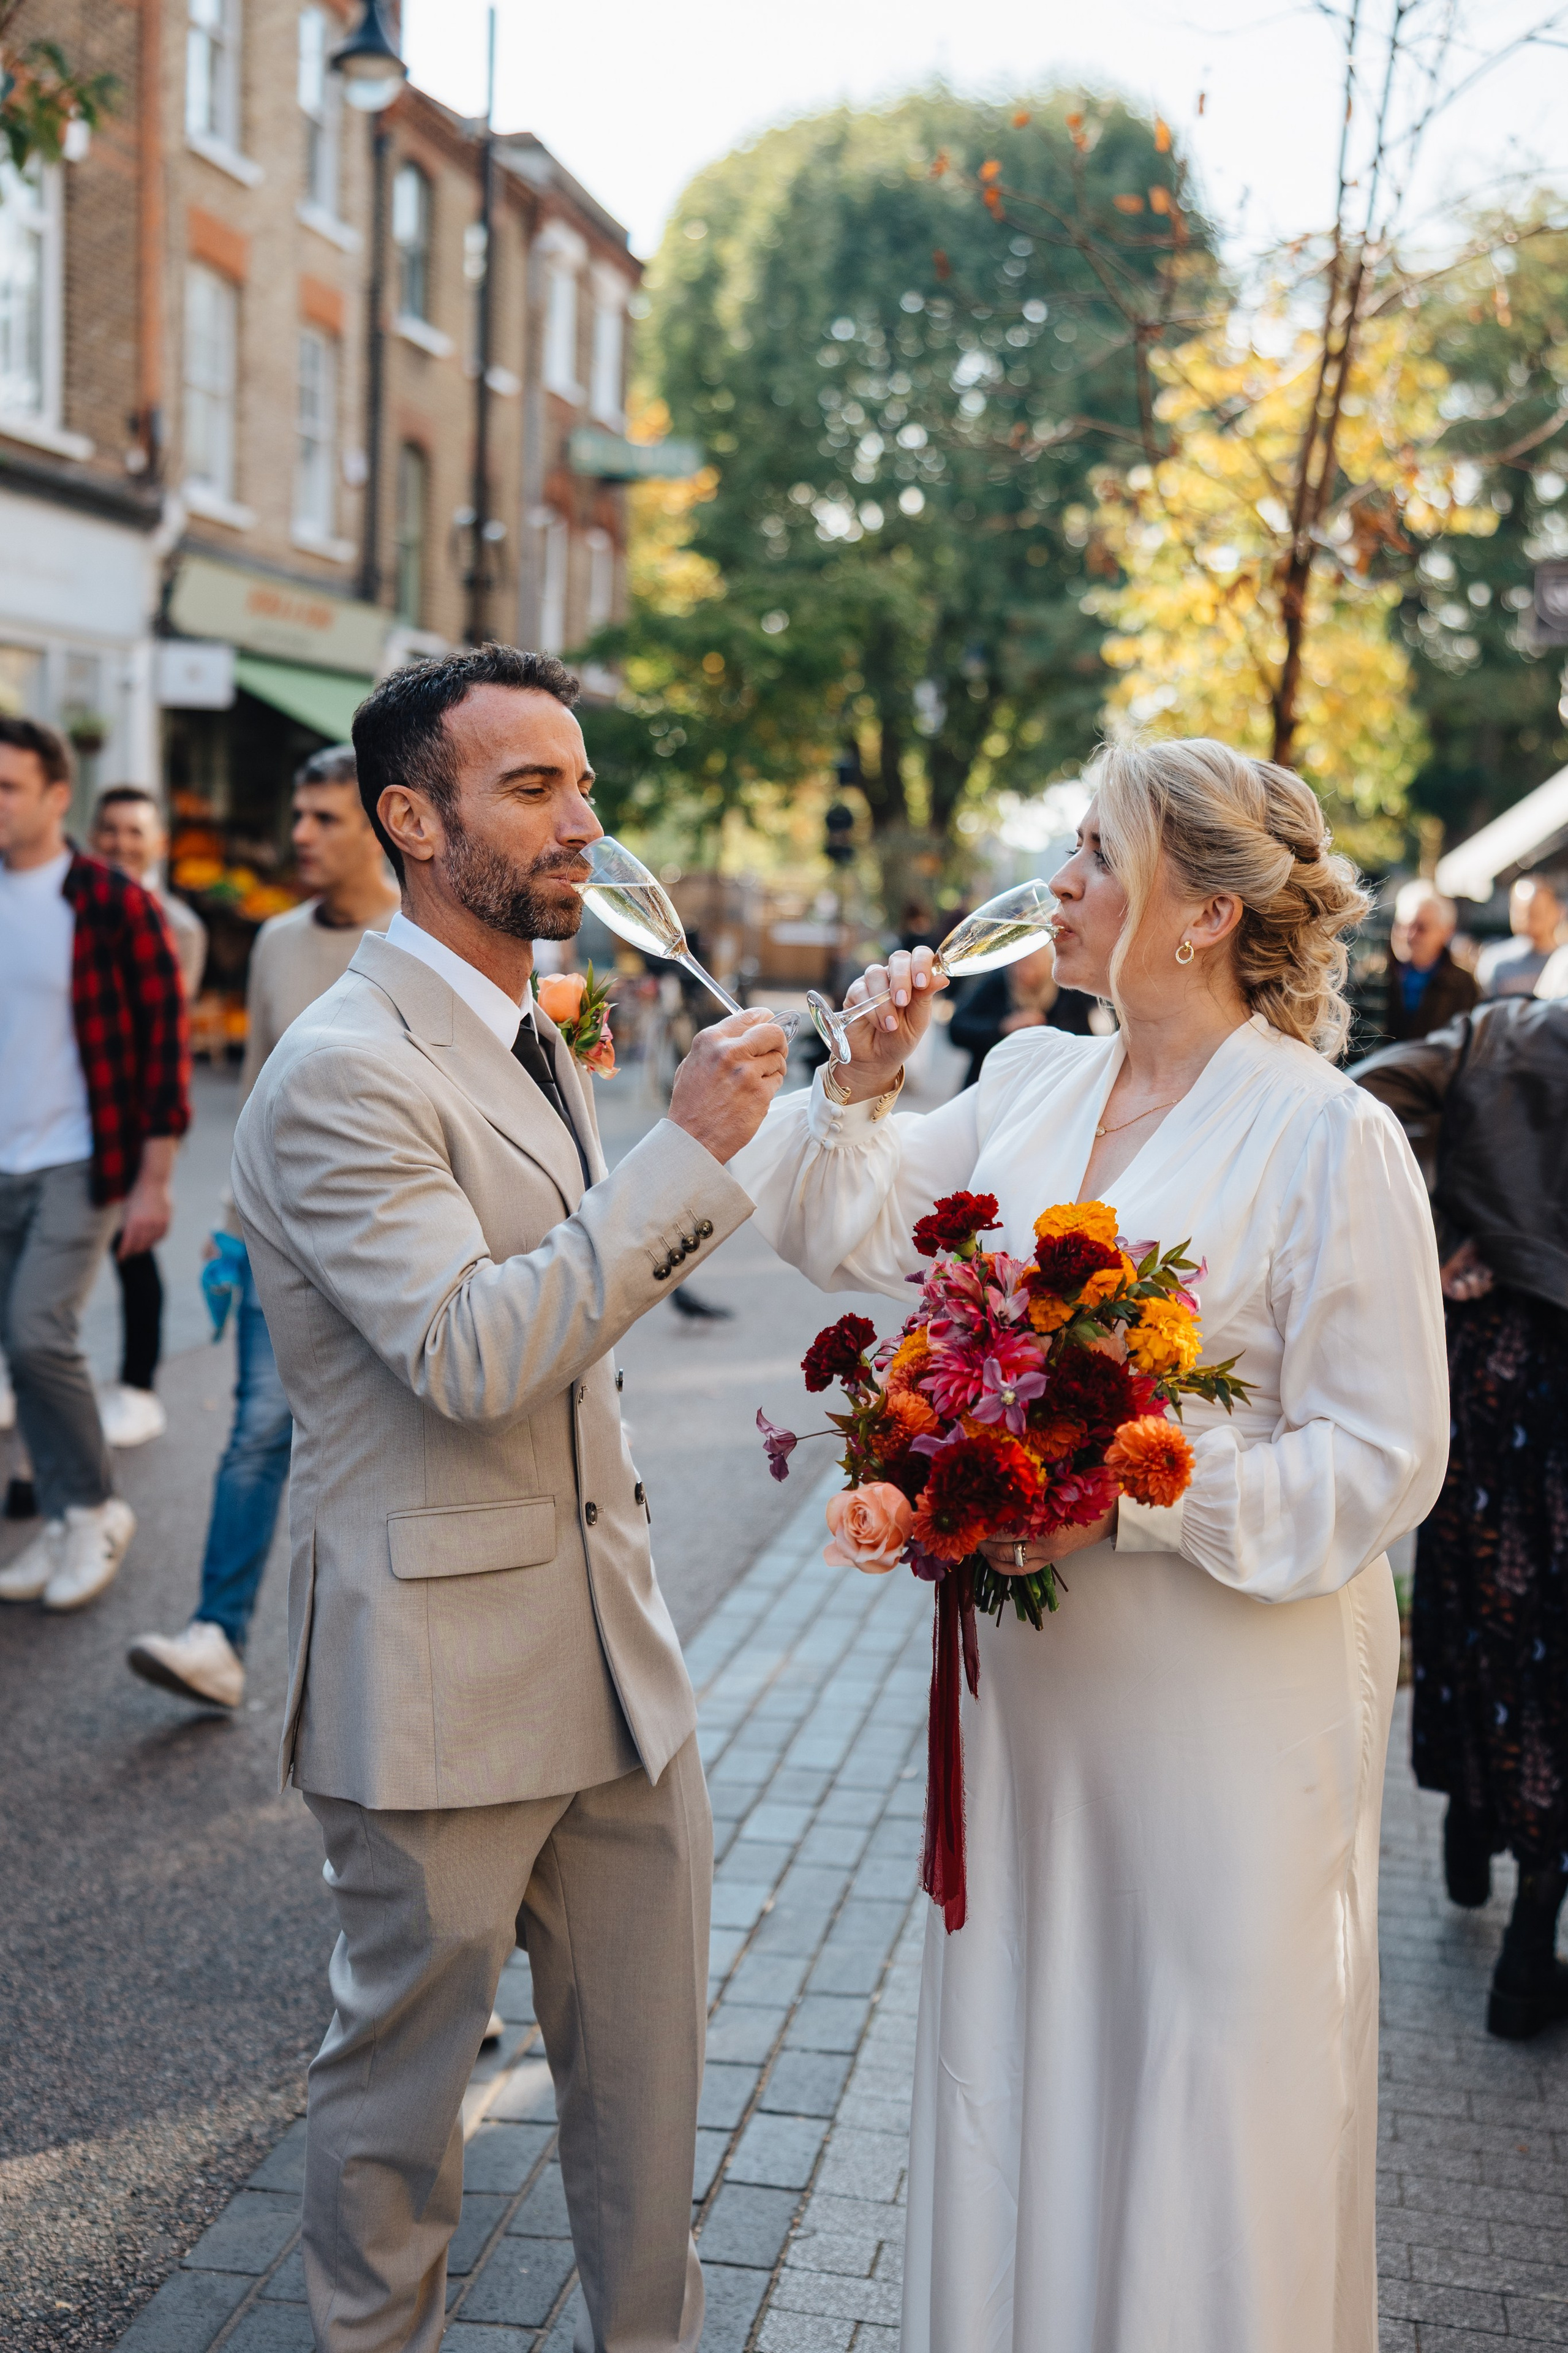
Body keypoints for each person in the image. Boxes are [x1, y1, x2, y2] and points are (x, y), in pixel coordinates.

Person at [733, 736, 1447, 2353]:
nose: (1056, 883)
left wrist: (1135, 1481)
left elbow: (1386, 1453)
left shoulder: (1331, 1135)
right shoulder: (1026, 1081)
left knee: (1206, 2063)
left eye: (1094, 854)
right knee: (1037, 2052)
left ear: (1201, 912)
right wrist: (857, 1075)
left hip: (1228, 1705)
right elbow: (835, 1232)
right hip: (1042, 1703)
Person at [229, 646, 786, 2353]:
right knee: (401, 2118)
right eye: (532, 787)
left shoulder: (530, 1026)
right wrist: (686, 1150)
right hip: (437, 1678)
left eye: (585, 784)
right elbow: (475, 1353)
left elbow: (592, 1267)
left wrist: (780, 1115)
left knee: (649, 2095)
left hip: (618, 1663)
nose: (582, 822)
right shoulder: (342, 1066)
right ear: (413, 817)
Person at [127, 744, 399, 1712]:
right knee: (254, 1433)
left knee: (384, 1458)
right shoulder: (280, 943)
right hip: (279, 1242)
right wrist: (229, 1226)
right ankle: (217, 1636)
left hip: (397, 1251)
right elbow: (255, 1099)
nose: (300, 837)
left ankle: (379, 1672)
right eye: (297, 817)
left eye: (324, 819)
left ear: (381, 828)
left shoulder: (423, 940)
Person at [1353, 994, 1568, 2039]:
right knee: (1549, 1640)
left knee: (1474, 1589)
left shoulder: (1499, 1030)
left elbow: (1368, 1096)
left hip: (1481, 1363)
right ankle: (1532, 1936)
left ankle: (1472, 1822)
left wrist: (1441, 1234)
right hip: (1555, 1370)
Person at [0, 717, 189, 1612]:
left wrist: (154, 1180)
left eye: (7, 787)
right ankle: (66, 1516)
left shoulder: (113, 902)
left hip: (81, 1159)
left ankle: (99, 1509)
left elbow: (164, 1051)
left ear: (55, 795)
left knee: (40, 1334)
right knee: (20, 1346)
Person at [88, 786, 209, 1449]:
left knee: (131, 1245)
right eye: (110, 830)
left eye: (136, 832)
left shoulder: (177, 925)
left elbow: (164, 1027)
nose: (121, 843)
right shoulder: (64, 905)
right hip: (62, 1111)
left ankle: (137, 1387)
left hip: (136, 1112)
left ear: (159, 844)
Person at [947, 940, 1096, 1087]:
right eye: (1018, 965)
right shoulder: (999, 983)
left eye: (1032, 964)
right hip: (992, 1083)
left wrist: (1047, 1034)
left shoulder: (1066, 992)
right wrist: (1003, 1028)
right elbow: (957, 1027)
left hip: (1044, 1087)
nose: (1023, 972)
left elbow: (1084, 1043)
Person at [1381, 878, 1479, 1041]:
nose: (1410, 936)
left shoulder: (1462, 985)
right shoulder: (1375, 977)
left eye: (1421, 928)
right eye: (1403, 926)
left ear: (1446, 932)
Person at [1476, 874, 1562, 1000]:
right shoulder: (1494, 962)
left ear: (1556, 912)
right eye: (1521, 914)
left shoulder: (1563, 961)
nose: (1528, 921)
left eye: (1536, 913)